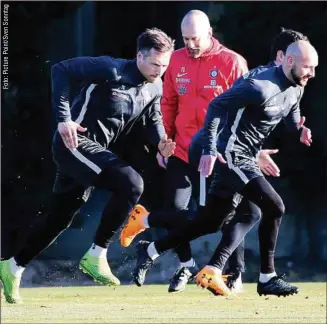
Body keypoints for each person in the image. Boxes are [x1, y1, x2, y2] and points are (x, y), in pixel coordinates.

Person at [120, 27, 309, 293]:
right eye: (306, 64)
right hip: (217, 151)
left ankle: (154, 246)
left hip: (230, 151)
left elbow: (266, 117)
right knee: (262, 209)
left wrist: (298, 130)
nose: (310, 71)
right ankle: (244, 274)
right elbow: (217, 107)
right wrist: (177, 144)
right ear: (285, 57)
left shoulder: (288, 83)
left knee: (213, 219)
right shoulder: (260, 83)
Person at [0, 28, 176, 304]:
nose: (160, 70)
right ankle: (97, 254)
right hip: (73, 144)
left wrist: (162, 142)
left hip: (92, 154)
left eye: (165, 65)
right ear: (139, 56)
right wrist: (63, 118)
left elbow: (152, 119)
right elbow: (61, 70)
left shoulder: (155, 86)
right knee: (132, 183)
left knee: (59, 218)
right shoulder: (110, 69)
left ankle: (12, 267)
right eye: (155, 64)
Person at [120, 9, 249, 293]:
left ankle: (233, 273)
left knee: (224, 215)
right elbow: (167, 103)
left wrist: (238, 150)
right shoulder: (175, 60)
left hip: (217, 155)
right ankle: (185, 265)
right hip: (181, 150)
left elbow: (244, 111)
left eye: (195, 38)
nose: (189, 44)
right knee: (176, 210)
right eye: (185, 38)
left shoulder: (232, 63)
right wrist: (163, 141)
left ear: (209, 34)